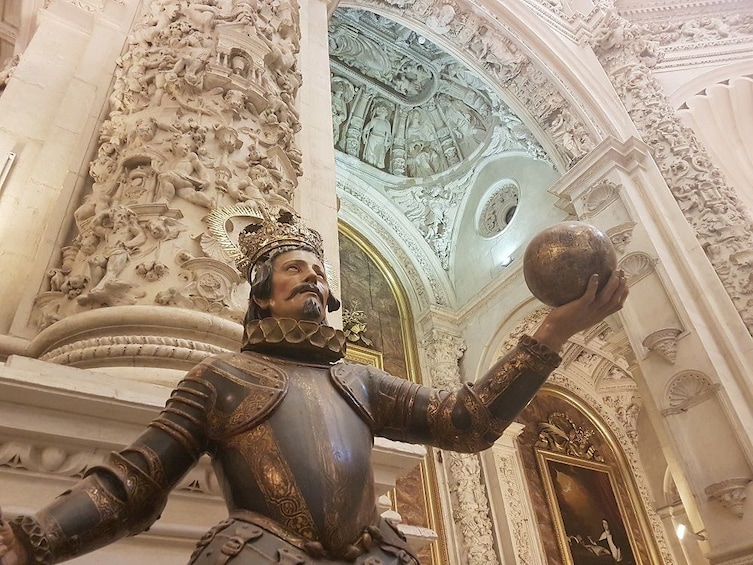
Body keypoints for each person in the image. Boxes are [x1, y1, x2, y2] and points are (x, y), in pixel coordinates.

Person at [0, 210, 628, 565]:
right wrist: (36, 537)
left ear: (329, 297)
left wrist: (550, 331)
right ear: (262, 293)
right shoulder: (222, 377)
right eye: (293, 268)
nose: (309, 277)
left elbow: (463, 421)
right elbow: (135, 481)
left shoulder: (356, 379)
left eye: (317, 272)